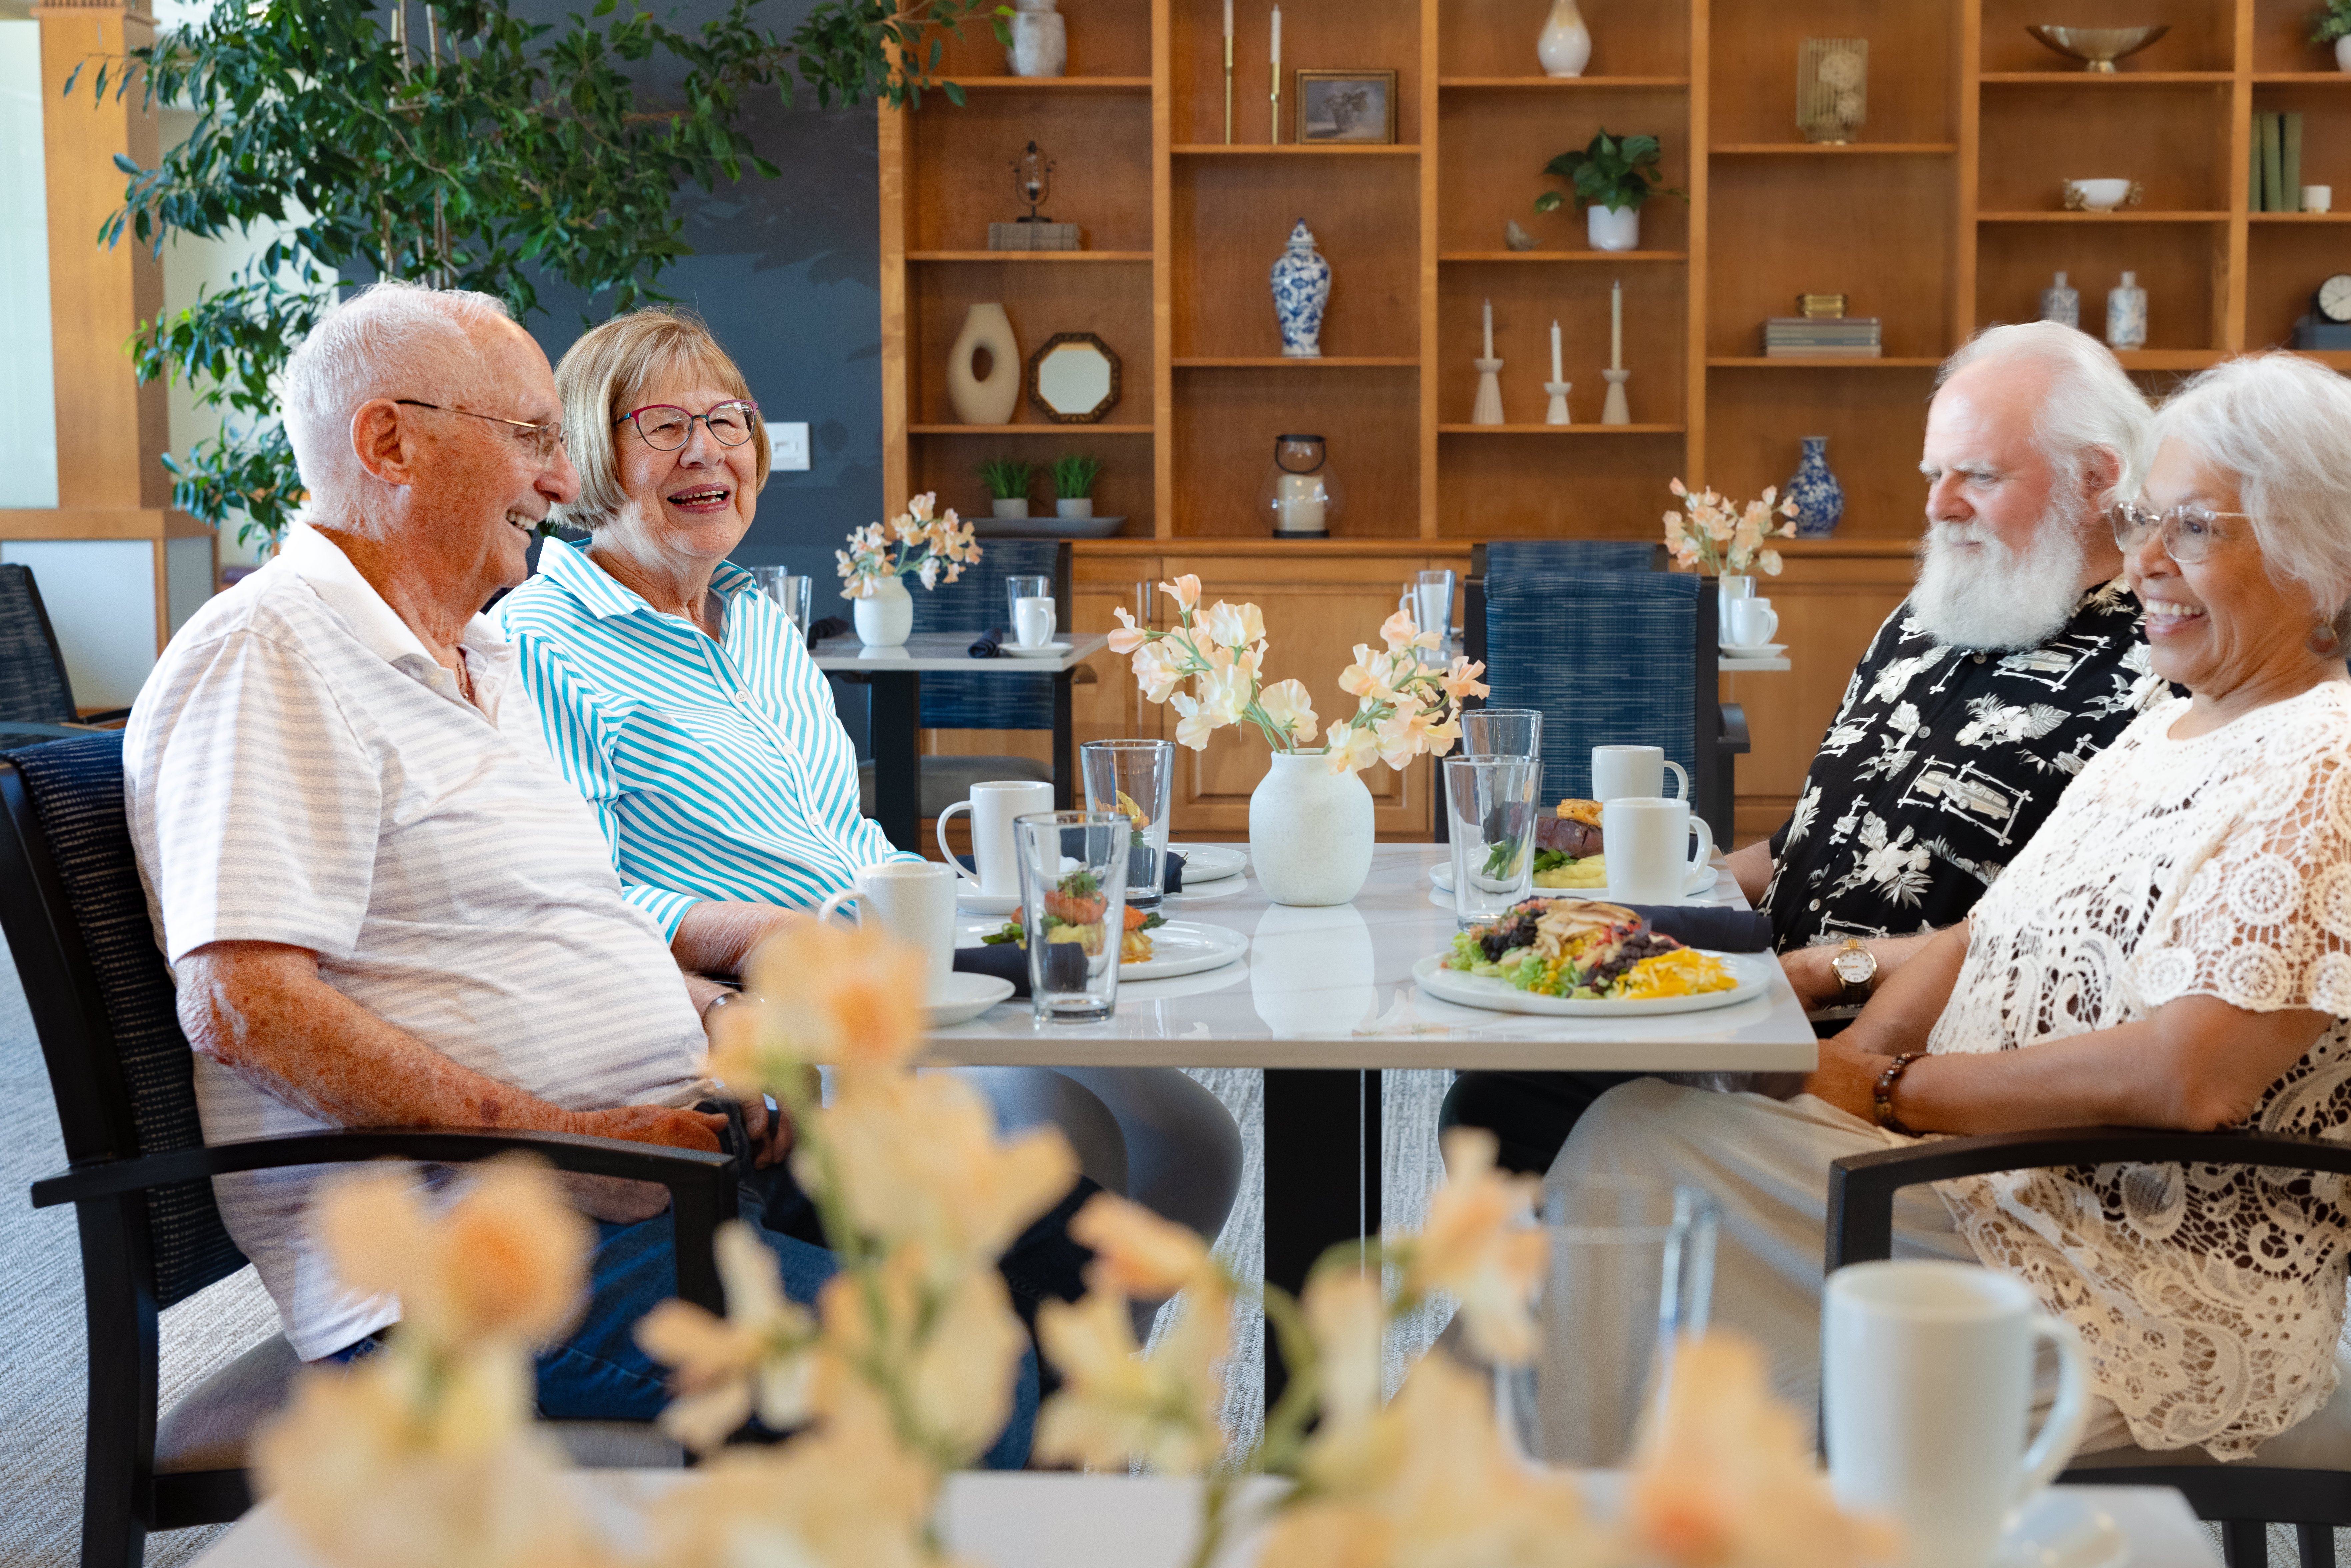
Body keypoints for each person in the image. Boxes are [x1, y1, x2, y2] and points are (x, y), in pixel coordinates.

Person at [123, 281, 1058, 1462]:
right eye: (528, 439)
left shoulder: (478, 657)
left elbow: (582, 916)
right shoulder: (271, 652)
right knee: (960, 1370)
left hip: (662, 1170)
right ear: (386, 442)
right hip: (488, 1246)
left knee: (1053, 1239)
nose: (561, 484)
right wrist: (566, 1141)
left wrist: (708, 1019)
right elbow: (244, 1003)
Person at [1552, 352, 2351, 1463]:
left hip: (2129, 1277)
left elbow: (2192, 1075)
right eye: (2140, 524)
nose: (2145, 564)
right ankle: (1523, 1493)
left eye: (2196, 530)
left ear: (2322, 554)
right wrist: (1854, 1073)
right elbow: (1991, 930)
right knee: (1636, 1144)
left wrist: (1887, 1087)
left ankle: (1512, 1497)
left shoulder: (2326, 756)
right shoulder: (2173, 722)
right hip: (2002, 1182)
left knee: (1633, 1154)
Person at [495, 307, 1241, 1243]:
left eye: (727, 420)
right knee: (1067, 1137)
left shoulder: (757, 620)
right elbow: (574, 903)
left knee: (1191, 1136)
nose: (707, 451)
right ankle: (1012, 1379)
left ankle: (1056, 1383)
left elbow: (839, 837)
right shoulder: (539, 642)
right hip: (792, 1029)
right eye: (663, 426)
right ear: (588, 458)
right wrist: (752, 935)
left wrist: (962, 906)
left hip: (912, 977)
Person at [1445, 321, 2173, 1173]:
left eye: (1977, 475)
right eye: (1934, 475)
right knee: (1506, 1040)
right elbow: (1812, 843)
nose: (1939, 506)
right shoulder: (1931, 620)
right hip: (1766, 992)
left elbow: (2050, 937)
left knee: (1503, 1110)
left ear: (2096, 481)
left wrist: (1829, 975)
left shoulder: (2155, 667)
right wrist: (1622, 871)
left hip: (1903, 1058)